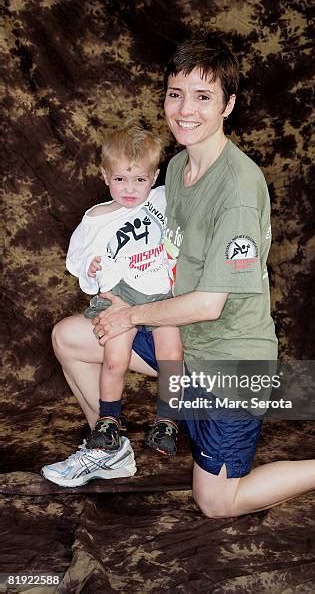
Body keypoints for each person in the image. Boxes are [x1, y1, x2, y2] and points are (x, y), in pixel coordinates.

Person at [42, 34, 315, 511]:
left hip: (230, 363)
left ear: (228, 106)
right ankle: (111, 449)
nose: (185, 109)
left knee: (217, 503)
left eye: (203, 97)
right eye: (175, 94)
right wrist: (115, 288)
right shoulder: (178, 167)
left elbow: (209, 304)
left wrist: (133, 316)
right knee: (72, 337)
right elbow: (155, 253)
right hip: (181, 342)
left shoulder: (239, 188)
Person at [42, 122, 183, 487]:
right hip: (125, 311)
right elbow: (87, 278)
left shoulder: (165, 198)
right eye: (121, 180)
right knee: (82, 342)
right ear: (105, 176)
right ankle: (108, 441)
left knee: (173, 356)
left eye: (139, 180)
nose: (131, 189)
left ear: (154, 176)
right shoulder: (95, 221)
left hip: (169, 312)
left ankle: (167, 420)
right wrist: (91, 274)